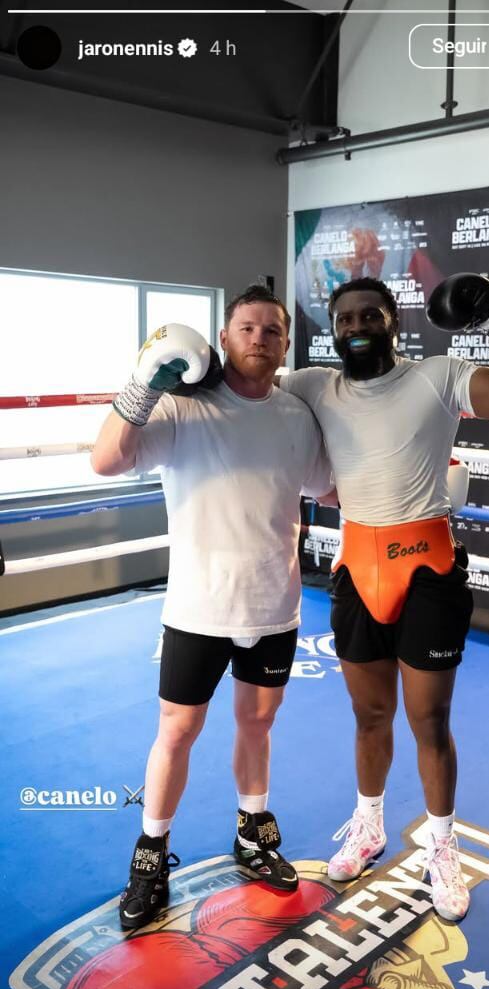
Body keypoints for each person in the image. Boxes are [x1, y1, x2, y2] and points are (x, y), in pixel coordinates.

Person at [279, 273, 489, 920]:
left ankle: (441, 845)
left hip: (427, 567)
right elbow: (245, 389)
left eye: (369, 316)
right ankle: (369, 823)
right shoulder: (313, 385)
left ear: (392, 321)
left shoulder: (438, 375)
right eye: (345, 319)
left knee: (429, 721)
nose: (356, 328)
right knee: (369, 717)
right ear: (333, 329)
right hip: (356, 567)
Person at [91, 285, 333, 929]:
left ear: (285, 345)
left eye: (273, 331)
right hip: (198, 608)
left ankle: (252, 832)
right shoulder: (182, 407)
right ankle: (150, 853)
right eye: (247, 327)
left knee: (257, 726)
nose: (260, 338)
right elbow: (105, 461)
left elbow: (331, 487)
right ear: (224, 338)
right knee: (176, 732)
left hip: (275, 606)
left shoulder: (295, 416)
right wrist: (143, 384)